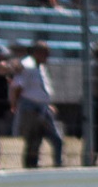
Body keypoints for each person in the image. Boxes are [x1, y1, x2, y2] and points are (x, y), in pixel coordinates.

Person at [11, 40, 65, 168]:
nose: (47, 56)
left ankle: (56, 163)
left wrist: (47, 103)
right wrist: (15, 105)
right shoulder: (27, 65)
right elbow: (17, 87)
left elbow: (40, 88)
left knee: (54, 139)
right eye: (45, 53)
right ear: (36, 53)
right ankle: (31, 166)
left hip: (42, 107)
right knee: (34, 139)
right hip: (31, 107)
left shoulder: (40, 66)